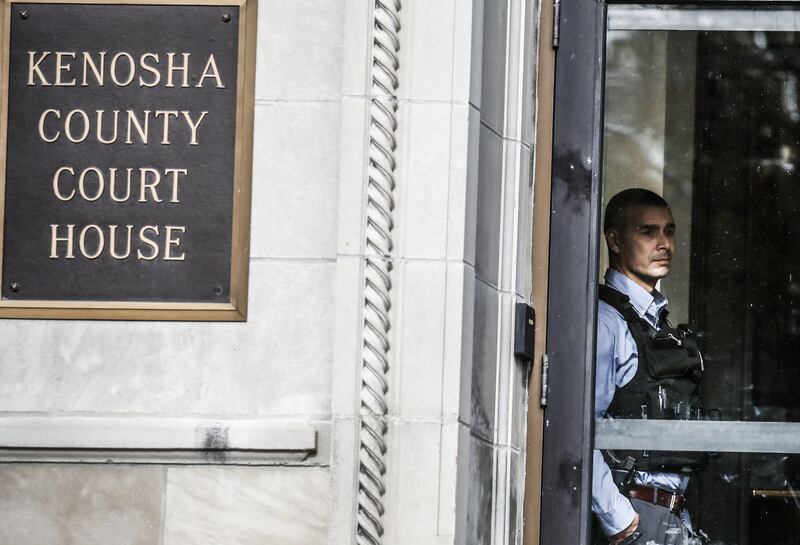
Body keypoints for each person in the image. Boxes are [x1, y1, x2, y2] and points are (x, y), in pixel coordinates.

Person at [594, 188, 706, 545]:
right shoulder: (605, 322)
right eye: (648, 231)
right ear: (614, 240)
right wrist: (621, 521)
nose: (664, 243)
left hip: (671, 518)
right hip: (632, 518)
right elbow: (576, 430)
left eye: (669, 231)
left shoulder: (657, 323)